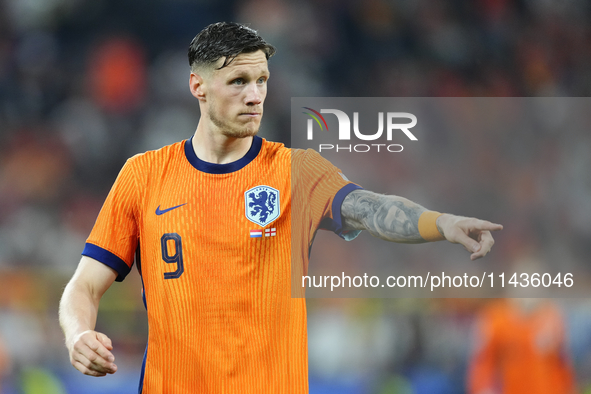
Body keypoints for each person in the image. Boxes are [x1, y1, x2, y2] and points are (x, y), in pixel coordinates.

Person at [59, 22, 503, 393]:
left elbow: (370, 209)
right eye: (238, 82)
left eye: (262, 81)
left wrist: (440, 222)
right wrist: (79, 334)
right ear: (198, 86)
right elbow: (82, 287)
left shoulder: (296, 171)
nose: (255, 96)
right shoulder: (143, 176)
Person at [467, 298, 577, 394]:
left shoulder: (552, 318)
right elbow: (483, 363)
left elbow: (563, 366)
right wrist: (482, 388)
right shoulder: (496, 319)